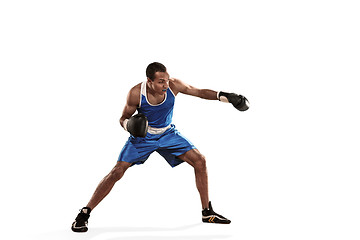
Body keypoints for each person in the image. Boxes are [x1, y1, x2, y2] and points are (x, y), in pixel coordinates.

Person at [71, 62, 249, 232]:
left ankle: (207, 212)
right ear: (149, 81)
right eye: (161, 81)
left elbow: (199, 92)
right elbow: (123, 118)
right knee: (117, 171)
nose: (166, 84)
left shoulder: (173, 85)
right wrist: (129, 126)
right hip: (143, 137)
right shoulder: (135, 93)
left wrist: (224, 96)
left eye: (167, 79)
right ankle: (84, 213)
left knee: (200, 161)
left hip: (168, 134)